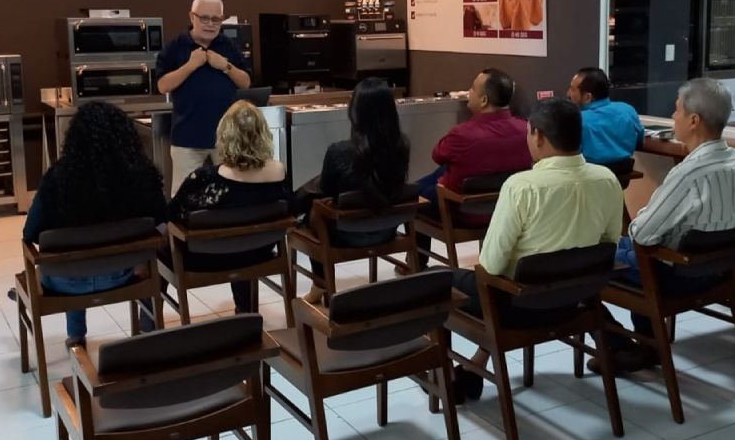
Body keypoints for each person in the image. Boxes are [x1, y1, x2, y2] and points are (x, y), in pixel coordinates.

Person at [451, 97, 623, 399]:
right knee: (515, 281)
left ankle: (455, 377)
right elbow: (610, 242)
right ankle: (475, 366)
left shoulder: (522, 187)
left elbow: (490, 266)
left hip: (518, 307)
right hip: (575, 301)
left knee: (444, 280)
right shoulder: (607, 180)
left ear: (539, 136)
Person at [603, 78, 735, 374]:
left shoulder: (689, 173)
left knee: (589, 262)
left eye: (676, 111)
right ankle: (647, 344)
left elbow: (643, 234)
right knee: (619, 247)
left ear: (694, 120)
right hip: (721, 270)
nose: (673, 117)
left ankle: (623, 347)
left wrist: (646, 216)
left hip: (676, 276)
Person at [21, 101, 167, 348]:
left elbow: (31, 232)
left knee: (69, 250)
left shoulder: (58, 178)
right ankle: (148, 328)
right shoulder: (141, 177)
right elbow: (162, 218)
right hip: (125, 274)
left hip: (64, 281)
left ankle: (76, 337)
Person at [169, 101, 295, 314]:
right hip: (259, 250)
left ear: (223, 136)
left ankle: (149, 327)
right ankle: (244, 309)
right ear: (264, 133)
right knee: (241, 232)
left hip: (205, 258)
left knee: (165, 233)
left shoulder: (203, 177)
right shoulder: (279, 173)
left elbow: (171, 214)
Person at [298, 77, 410, 302]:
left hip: (344, 235)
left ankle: (321, 284)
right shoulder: (402, 146)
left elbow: (326, 192)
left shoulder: (338, 151)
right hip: (386, 229)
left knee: (313, 208)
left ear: (355, 111)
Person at [414, 68, 531, 256]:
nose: (468, 92)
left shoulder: (464, 134)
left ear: (484, 100)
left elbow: (437, 154)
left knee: (414, 194)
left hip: (462, 212)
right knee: (440, 173)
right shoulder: (526, 130)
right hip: (506, 210)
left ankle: (418, 263)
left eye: (472, 89)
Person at [155, 0, 251, 194]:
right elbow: (163, 85)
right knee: (184, 196)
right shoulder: (175, 47)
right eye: (204, 18)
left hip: (226, 137)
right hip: (187, 139)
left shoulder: (228, 45)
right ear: (192, 17)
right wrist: (190, 66)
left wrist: (225, 66)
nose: (210, 24)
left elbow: (245, 82)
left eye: (216, 19)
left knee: (230, 194)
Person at [567, 66, 644, 166]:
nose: (568, 93)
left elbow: (568, 154)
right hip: (623, 174)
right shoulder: (627, 109)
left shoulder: (576, 119)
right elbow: (640, 140)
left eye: (573, 89)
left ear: (587, 97)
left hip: (589, 175)